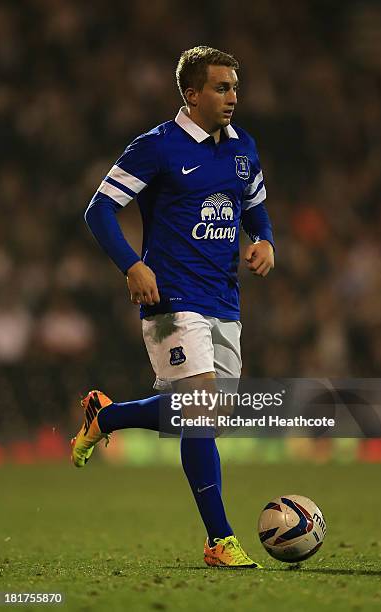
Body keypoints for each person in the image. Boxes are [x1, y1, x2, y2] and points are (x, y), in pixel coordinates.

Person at [71, 46, 275, 568]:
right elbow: (100, 210)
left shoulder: (241, 147)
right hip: (172, 298)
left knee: (206, 414)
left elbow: (255, 207)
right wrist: (132, 266)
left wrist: (266, 240)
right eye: (222, 88)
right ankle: (219, 539)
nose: (233, 96)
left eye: (235, 86)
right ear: (192, 93)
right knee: (202, 412)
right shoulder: (157, 147)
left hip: (223, 299)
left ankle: (109, 416)